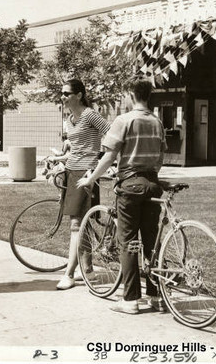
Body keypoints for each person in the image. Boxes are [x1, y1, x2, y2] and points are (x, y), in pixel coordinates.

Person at [77, 79, 167, 314]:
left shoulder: (124, 120)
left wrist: (91, 177)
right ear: (148, 96)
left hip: (129, 184)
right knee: (151, 240)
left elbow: (108, 156)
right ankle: (156, 297)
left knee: (128, 241)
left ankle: (130, 300)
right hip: (152, 184)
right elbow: (160, 157)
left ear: (130, 95)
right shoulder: (157, 122)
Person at [46, 79, 110, 290]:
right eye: (61, 93)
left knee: (76, 224)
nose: (62, 97)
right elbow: (77, 148)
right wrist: (59, 159)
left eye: (66, 93)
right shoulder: (69, 118)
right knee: (83, 223)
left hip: (86, 172)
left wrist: (98, 165)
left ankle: (69, 274)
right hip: (72, 171)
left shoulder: (90, 114)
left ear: (79, 95)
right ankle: (88, 270)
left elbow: (111, 135)